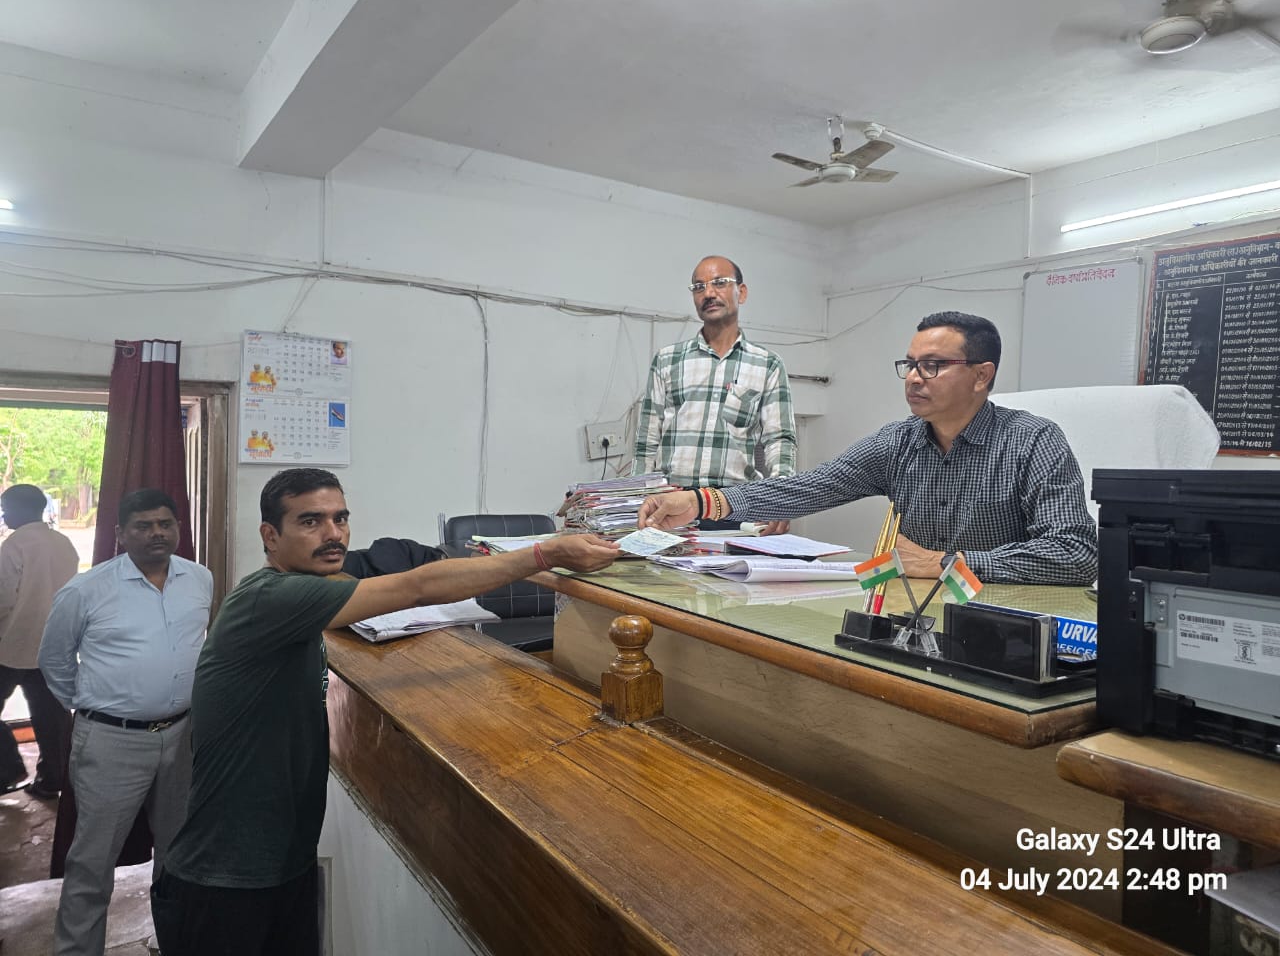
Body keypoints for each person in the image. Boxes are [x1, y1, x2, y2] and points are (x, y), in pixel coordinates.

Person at [151, 468, 619, 955]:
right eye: (310, 521)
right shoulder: (269, 598)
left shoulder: (303, 587)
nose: (333, 534)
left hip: (283, 868)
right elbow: (416, 587)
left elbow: (366, 578)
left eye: (340, 519)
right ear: (270, 535)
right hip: (223, 883)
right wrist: (547, 554)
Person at [639, 312, 1097, 585]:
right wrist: (700, 501)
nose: (914, 378)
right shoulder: (899, 442)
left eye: (933, 366)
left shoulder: (1032, 441)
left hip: (1002, 619)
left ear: (981, 375)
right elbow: (810, 488)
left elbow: (1076, 553)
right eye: (910, 365)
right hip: (912, 610)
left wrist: (947, 564)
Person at [39, 488, 213, 956]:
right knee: (93, 860)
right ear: (120, 533)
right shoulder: (86, 590)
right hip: (110, 741)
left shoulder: (200, 579)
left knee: (179, 854)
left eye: (165, 524)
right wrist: (93, 707)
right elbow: (54, 660)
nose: (157, 533)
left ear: (178, 529)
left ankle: (175, 941)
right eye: (143, 525)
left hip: (182, 735)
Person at [632, 255, 797, 533]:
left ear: (741, 292)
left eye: (719, 283)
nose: (708, 293)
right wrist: (636, 500)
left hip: (737, 506)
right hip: (670, 505)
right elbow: (646, 443)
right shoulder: (668, 360)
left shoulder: (767, 364)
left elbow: (779, 439)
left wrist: (780, 497)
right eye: (699, 287)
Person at [0, 484, 80, 797]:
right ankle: (53, 779)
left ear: (21, 509)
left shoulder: (13, 546)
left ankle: (7, 770)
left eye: (5, 509)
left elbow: (3, 599)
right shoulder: (63, 543)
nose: (4, 515)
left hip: (11, 645)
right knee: (52, 717)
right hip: (53, 646)